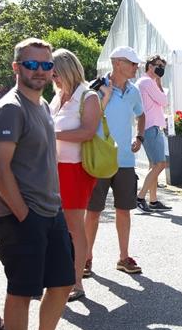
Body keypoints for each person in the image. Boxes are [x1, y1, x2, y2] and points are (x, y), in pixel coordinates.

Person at [0, 38, 75, 330]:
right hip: (19, 214)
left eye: (46, 65)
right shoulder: (11, 109)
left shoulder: (41, 106)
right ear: (16, 68)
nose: (40, 71)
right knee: (22, 291)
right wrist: (25, 214)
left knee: (63, 283)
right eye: (32, 64)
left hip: (50, 211)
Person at [49, 49, 107, 302]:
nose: (53, 78)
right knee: (57, 227)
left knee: (74, 227)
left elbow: (87, 132)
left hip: (76, 169)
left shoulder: (88, 96)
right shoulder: (57, 97)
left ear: (67, 70)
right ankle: (60, 278)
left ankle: (77, 283)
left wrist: (52, 135)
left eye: (56, 74)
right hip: (54, 168)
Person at [84, 46, 146, 276]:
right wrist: (105, 96)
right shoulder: (95, 88)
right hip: (100, 160)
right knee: (93, 212)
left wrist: (139, 136)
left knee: (124, 210)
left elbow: (142, 114)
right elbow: (86, 118)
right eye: (132, 63)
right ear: (117, 63)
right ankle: (86, 258)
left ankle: (123, 257)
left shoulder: (134, 91)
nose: (136, 68)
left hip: (126, 161)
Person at [136, 55, 172, 212]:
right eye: (158, 66)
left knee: (154, 165)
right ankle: (140, 197)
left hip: (151, 126)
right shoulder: (147, 82)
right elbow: (164, 101)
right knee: (160, 164)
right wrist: (158, 82)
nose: (160, 69)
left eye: (162, 66)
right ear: (149, 66)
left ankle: (153, 200)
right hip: (151, 127)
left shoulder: (147, 82)